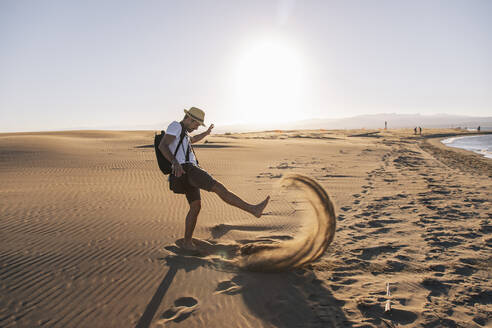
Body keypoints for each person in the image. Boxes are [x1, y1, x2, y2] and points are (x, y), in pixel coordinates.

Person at [158, 107, 270, 251]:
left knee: (196, 206)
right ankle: (253, 209)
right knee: (218, 187)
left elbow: (192, 140)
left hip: (185, 173)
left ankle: (187, 242)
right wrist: (175, 163)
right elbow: (163, 145)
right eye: (196, 124)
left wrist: (206, 133)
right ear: (189, 118)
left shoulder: (183, 133)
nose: (197, 127)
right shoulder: (175, 126)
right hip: (187, 169)